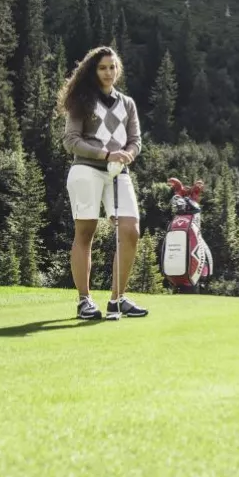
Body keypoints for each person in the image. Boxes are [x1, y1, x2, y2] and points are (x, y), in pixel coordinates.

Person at [58, 46, 148, 321]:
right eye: (102, 67)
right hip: (86, 170)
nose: (108, 72)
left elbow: (135, 140)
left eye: (112, 67)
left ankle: (116, 299)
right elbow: (71, 141)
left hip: (119, 172)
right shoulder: (81, 100)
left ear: (118, 70)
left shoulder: (128, 103)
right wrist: (106, 154)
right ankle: (84, 301)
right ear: (92, 71)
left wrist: (128, 154)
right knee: (86, 232)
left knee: (130, 230)